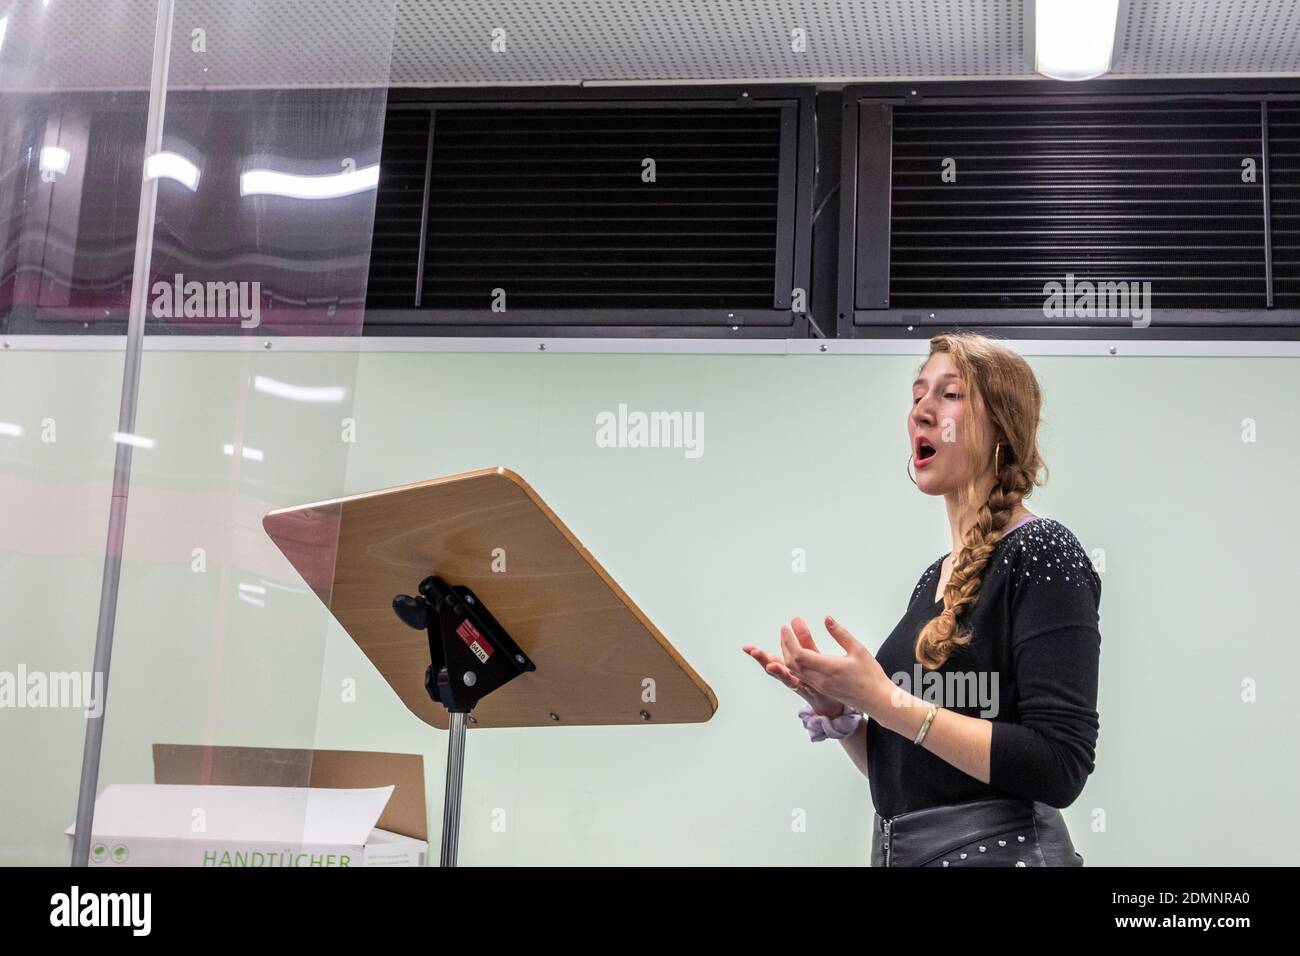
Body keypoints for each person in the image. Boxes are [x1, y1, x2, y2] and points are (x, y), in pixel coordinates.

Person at [743, 331, 1101, 866]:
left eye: (948, 395)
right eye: (916, 397)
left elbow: (1059, 765)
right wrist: (845, 710)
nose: (921, 413)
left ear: (1001, 426)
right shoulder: (932, 578)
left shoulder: (1043, 551)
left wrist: (886, 701)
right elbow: (923, 774)